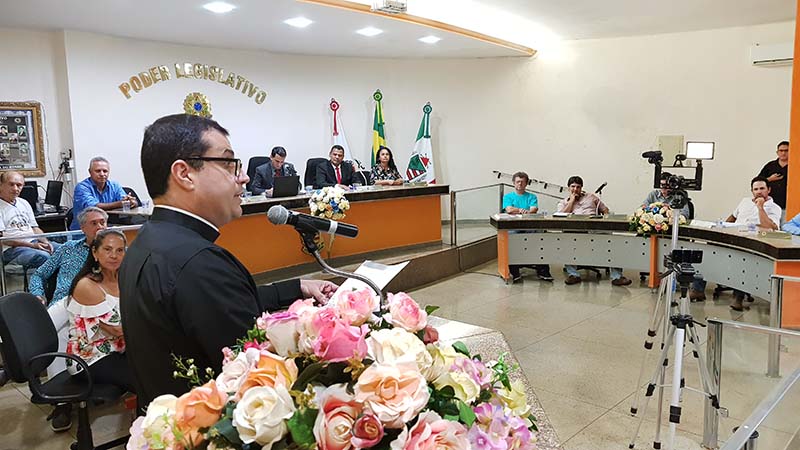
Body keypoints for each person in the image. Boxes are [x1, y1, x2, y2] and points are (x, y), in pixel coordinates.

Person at [120, 114, 338, 409]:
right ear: (185, 174)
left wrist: (297, 287)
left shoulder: (150, 241)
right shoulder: (199, 262)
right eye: (228, 163)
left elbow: (219, 303)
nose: (243, 177)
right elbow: (255, 368)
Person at [57, 229, 135, 432]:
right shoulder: (87, 285)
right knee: (146, 377)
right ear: (94, 253)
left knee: (160, 365)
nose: (114, 255)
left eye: (120, 250)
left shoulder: (122, 279)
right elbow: (118, 330)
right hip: (88, 359)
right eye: (107, 249)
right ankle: (145, 435)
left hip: (115, 351)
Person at [557, 176, 632, 286]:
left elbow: (605, 210)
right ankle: (573, 275)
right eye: (573, 187)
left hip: (595, 229)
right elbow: (561, 215)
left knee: (613, 242)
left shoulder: (592, 197)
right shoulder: (563, 202)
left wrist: (605, 218)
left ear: (581, 188)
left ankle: (617, 277)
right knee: (567, 241)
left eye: (578, 187)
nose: (575, 189)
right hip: (575, 231)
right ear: (568, 188)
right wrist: (572, 201)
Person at [722, 176, 782, 311]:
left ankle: (738, 297)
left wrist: (760, 208)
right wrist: (722, 228)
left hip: (755, 243)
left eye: (762, 189)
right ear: (752, 191)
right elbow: (733, 217)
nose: (759, 192)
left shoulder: (774, 208)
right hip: (735, 237)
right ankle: (698, 289)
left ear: (769, 190)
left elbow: (772, 228)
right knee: (706, 251)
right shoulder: (745, 202)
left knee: (743, 261)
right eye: (756, 189)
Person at [29, 207, 108, 306]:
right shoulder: (68, 248)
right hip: (65, 302)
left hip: (101, 303)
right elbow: (38, 275)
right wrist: (38, 294)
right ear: (83, 228)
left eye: (102, 222)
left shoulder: (115, 252)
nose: (100, 227)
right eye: (94, 223)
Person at [0, 171, 58, 270]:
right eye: (11, 184)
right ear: (1, 185)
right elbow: (3, 239)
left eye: (19, 185)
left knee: (66, 250)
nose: (15, 189)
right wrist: (33, 245)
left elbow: (35, 228)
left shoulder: (24, 203)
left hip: (33, 242)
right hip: (11, 250)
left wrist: (46, 242)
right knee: (43, 257)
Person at [503, 171, 553, 282]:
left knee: (541, 241)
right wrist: (521, 210)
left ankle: (543, 271)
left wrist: (519, 211)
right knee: (512, 242)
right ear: (513, 183)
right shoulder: (508, 197)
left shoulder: (532, 196)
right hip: (514, 227)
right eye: (517, 182)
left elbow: (533, 210)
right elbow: (509, 209)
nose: (520, 184)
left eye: (522, 182)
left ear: (526, 184)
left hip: (530, 226)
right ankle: (514, 272)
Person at [70, 156, 137, 230]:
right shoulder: (82, 187)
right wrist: (120, 203)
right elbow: (94, 207)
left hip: (106, 228)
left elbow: (124, 201)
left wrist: (132, 202)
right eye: (98, 171)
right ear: (90, 172)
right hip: (82, 231)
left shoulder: (115, 186)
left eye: (105, 171)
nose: (102, 174)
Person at [758, 140, 789, 222]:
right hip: (770, 205)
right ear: (777, 152)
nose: (783, 153)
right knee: (769, 229)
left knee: (784, 229)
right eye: (781, 151)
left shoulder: (795, 166)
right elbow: (757, 182)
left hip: (786, 206)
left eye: (786, 150)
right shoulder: (770, 165)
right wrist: (769, 179)